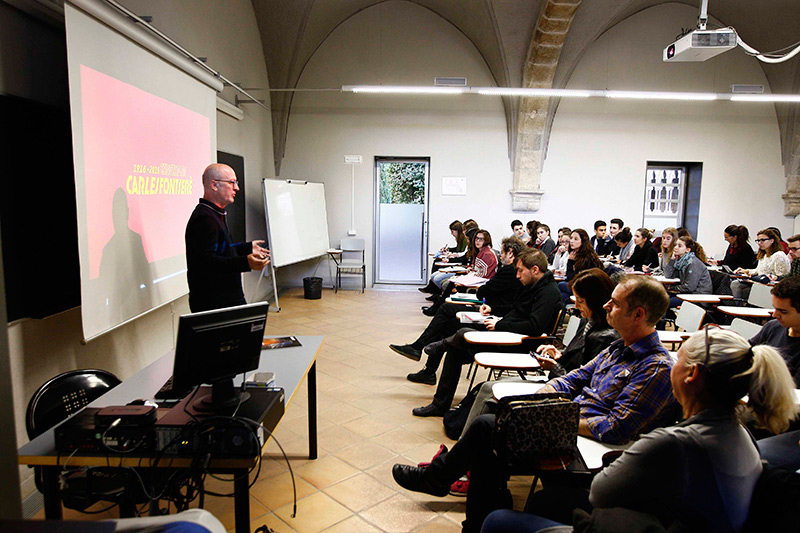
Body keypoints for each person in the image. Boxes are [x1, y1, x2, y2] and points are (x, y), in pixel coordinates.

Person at [392, 275, 679, 532]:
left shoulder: (655, 368)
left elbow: (615, 428)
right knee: (488, 438)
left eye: (614, 304)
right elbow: (574, 378)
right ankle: (469, 514)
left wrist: (555, 417)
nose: (605, 307)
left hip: (586, 447)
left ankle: (442, 483)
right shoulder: (619, 347)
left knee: (487, 429)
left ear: (638, 314)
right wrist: (545, 396)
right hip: (570, 426)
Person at [483, 327, 797, 533]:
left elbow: (600, 492)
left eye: (680, 358)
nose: (671, 364)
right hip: (684, 520)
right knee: (545, 502)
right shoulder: (743, 435)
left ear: (691, 375)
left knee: (498, 521)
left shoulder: (673, 443)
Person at [411, 249, 562, 417]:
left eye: (520, 270)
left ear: (534, 270)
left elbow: (534, 326)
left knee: (462, 334)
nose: (517, 275)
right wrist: (494, 310)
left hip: (521, 345)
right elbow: (514, 309)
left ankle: (443, 345)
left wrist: (500, 324)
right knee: (456, 348)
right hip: (507, 335)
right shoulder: (532, 285)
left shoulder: (548, 292)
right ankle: (439, 405)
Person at [389, 237, 526, 382]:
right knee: (445, 315)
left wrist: (490, 301)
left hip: (492, 316)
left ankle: (422, 356)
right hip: (491, 310)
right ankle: (423, 359)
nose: (500, 255)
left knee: (446, 315)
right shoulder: (512, 270)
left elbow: (484, 292)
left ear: (510, 253)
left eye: (503, 252)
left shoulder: (510, 271)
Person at [185, 163, 269, 312]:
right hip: (215, 302)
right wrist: (246, 262)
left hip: (226, 297)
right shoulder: (204, 218)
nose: (237, 188)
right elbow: (205, 262)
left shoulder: (214, 213)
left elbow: (221, 250)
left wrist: (247, 247)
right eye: (232, 183)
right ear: (214, 185)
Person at [749, 276, 800, 386]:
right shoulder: (773, 327)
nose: (775, 315)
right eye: (775, 308)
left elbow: (793, 390)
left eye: (783, 311)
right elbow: (746, 354)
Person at [732, 228, 790, 299]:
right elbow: (758, 271)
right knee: (736, 283)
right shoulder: (764, 255)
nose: (759, 243)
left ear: (772, 240)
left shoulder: (779, 255)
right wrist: (745, 271)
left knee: (741, 288)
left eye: (763, 240)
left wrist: (771, 278)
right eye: (758, 240)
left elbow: (782, 276)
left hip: (769, 286)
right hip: (759, 283)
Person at [664, 235, 712, 307]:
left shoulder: (693, 263)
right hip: (687, 294)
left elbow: (689, 287)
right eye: (676, 245)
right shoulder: (680, 261)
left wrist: (672, 288)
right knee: (661, 297)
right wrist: (672, 260)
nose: (675, 248)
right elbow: (668, 275)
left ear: (688, 250)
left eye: (679, 246)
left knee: (665, 302)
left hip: (698, 297)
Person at [560, 229, 603, 304]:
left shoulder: (587, 258)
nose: (571, 241)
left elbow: (573, 279)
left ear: (583, 241)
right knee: (563, 296)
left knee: (561, 285)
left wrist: (570, 262)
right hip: (579, 287)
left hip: (587, 290)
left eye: (576, 239)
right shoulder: (574, 254)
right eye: (571, 238)